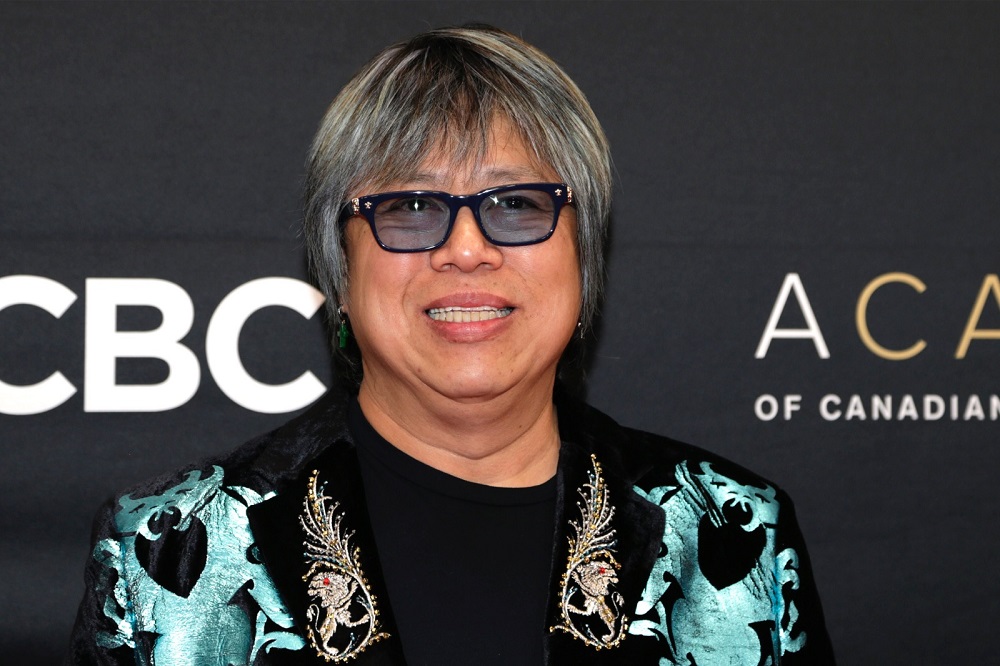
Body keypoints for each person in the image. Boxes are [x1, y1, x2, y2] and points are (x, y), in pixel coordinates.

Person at [68, 24, 835, 665]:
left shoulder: (732, 531)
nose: (466, 249)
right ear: (337, 269)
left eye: (516, 203)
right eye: (409, 206)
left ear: (584, 260)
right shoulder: (166, 554)